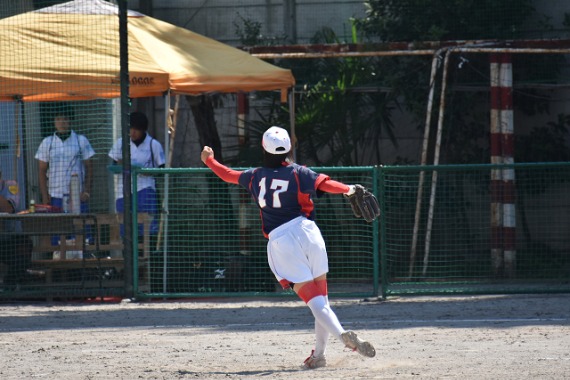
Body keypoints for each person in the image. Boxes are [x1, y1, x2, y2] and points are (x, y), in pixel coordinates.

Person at [200, 126, 376, 369]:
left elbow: (226, 174)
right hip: (309, 232)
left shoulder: (255, 176)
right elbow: (326, 184)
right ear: (289, 149)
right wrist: (350, 189)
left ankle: (343, 335)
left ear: (263, 147)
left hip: (282, 240)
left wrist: (209, 160)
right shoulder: (297, 172)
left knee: (314, 300)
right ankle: (319, 356)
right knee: (322, 298)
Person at [108, 111, 165, 235]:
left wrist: (147, 172)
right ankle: (127, 253)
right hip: (123, 190)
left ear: (143, 130)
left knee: (146, 228)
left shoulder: (153, 144)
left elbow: (162, 170)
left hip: (145, 189)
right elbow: (113, 165)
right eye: (131, 129)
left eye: (137, 129)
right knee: (125, 228)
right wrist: (122, 164)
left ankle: (146, 253)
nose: (133, 132)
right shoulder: (120, 143)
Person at [35, 110, 95, 213]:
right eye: (58, 119)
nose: (62, 123)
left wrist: (87, 191)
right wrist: (45, 196)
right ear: (54, 122)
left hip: (77, 196)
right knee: (59, 227)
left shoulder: (81, 140)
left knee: (81, 227)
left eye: (65, 119)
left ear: (71, 121)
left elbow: (90, 167)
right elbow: (42, 170)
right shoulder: (47, 142)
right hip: (55, 196)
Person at [0, 172, 33, 289]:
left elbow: (8, 208)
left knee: (25, 243)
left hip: (10, 239)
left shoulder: (10, 185)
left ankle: (11, 283)